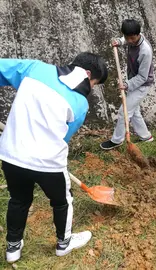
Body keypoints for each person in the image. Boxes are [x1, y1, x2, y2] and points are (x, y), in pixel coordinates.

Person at [0, 52, 108, 263]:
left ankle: (13, 249)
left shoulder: (34, 68)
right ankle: (63, 243)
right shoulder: (80, 103)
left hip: (12, 156)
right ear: (87, 74)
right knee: (62, 201)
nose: (92, 88)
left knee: (19, 199)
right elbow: (64, 136)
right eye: (94, 83)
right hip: (48, 163)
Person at [100, 19, 154, 150]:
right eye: (126, 38)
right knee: (134, 111)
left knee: (123, 112)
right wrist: (119, 41)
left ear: (138, 34)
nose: (129, 41)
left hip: (142, 85)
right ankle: (146, 136)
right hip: (133, 80)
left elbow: (143, 76)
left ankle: (117, 140)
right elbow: (125, 40)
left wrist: (127, 84)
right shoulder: (130, 39)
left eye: (131, 38)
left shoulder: (145, 51)